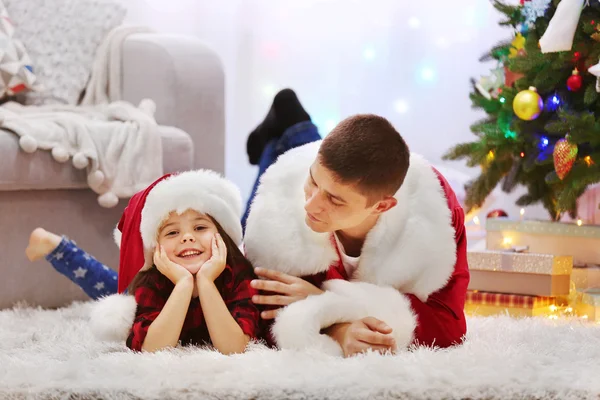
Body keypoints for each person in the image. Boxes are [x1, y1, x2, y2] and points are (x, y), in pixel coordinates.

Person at [243, 114, 470, 357]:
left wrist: (324, 300)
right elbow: (256, 317)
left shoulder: (436, 212)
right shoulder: (277, 203)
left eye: (333, 200)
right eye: (313, 181)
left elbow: (448, 329)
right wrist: (339, 328)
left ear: (382, 207)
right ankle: (285, 124)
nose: (310, 205)